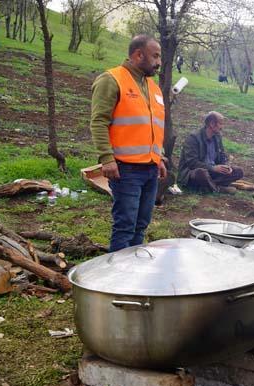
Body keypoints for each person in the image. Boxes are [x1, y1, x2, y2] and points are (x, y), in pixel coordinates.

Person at [90, 35, 168, 252]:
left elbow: (152, 126)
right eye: (155, 56)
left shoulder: (153, 87)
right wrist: (107, 159)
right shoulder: (112, 79)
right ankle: (116, 272)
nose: (159, 62)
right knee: (125, 226)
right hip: (125, 169)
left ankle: (133, 269)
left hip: (150, 169)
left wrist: (159, 158)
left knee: (141, 225)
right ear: (138, 55)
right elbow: (98, 122)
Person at [178, 111, 244, 194]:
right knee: (201, 173)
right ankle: (218, 189)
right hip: (193, 173)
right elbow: (192, 163)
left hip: (212, 172)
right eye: (220, 124)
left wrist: (226, 166)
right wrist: (213, 168)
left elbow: (222, 156)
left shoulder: (217, 137)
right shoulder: (193, 138)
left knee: (238, 171)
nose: (222, 127)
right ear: (212, 124)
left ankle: (209, 185)